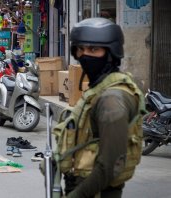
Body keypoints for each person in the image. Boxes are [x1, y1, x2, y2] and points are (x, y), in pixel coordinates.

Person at [47, 18, 146, 198]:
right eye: (81, 49)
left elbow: (110, 166)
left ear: (111, 52)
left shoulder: (111, 101)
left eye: (94, 49)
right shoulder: (98, 90)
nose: (85, 55)